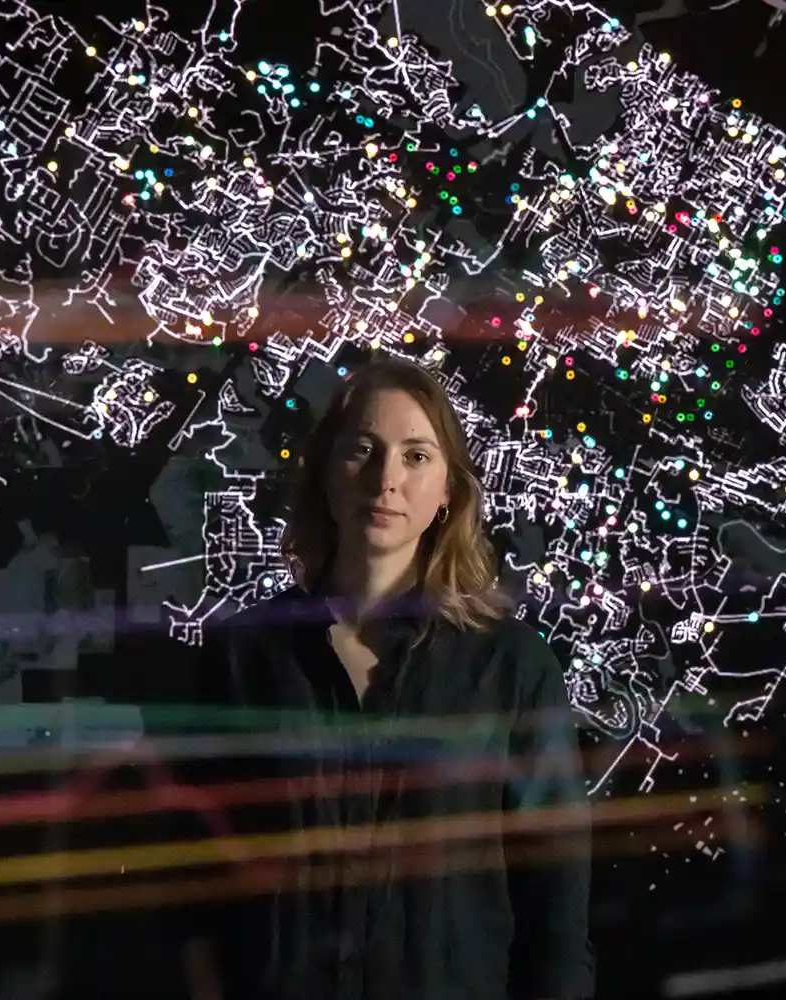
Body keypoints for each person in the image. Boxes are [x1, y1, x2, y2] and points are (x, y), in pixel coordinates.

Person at [179, 357, 594, 1000]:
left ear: (448, 493)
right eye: (363, 451)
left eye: (416, 456)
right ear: (323, 474)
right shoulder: (241, 658)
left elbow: (557, 908)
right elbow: (193, 885)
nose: (386, 480)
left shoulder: (511, 669)